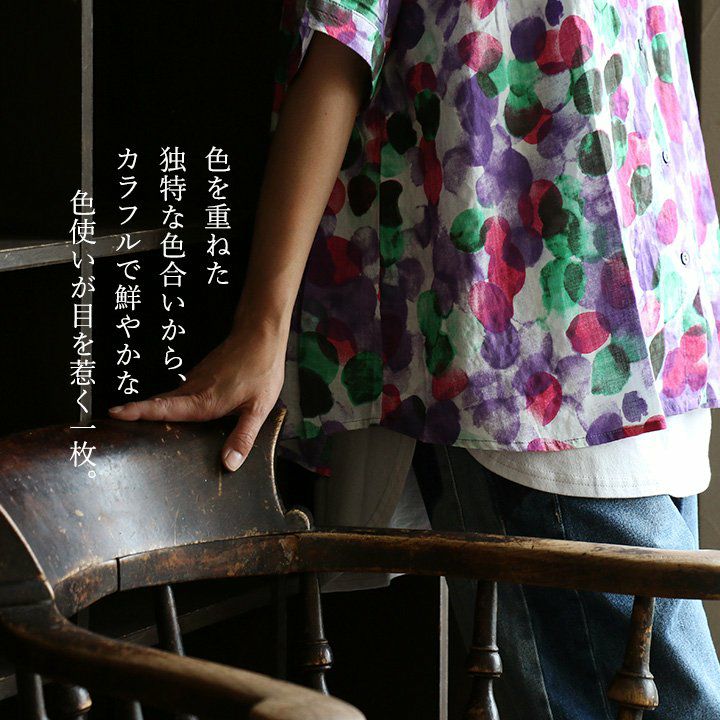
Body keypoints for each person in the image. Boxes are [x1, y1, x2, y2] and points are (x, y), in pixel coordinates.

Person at [108, 0, 720, 716]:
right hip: (528, 355)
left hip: (655, 324)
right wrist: (261, 328)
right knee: (671, 702)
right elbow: (340, 41)